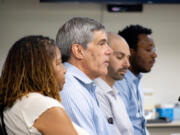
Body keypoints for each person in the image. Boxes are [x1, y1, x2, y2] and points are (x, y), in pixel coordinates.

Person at [0, 35, 89, 135]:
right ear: (40, 70)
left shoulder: (16, 103)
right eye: (58, 63)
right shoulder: (42, 105)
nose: (65, 70)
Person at [56, 17, 114, 135]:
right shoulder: (71, 89)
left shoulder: (86, 86)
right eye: (102, 44)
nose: (109, 51)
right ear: (78, 51)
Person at [115, 24, 158, 135]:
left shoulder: (135, 81)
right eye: (149, 50)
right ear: (130, 52)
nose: (154, 55)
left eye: (154, 49)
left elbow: (139, 125)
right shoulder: (119, 84)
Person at [94, 32, 133, 135]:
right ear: (103, 56)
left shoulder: (115, 94)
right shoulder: (96, 93)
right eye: (120, 57)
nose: (127, 64)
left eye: (128, 58)